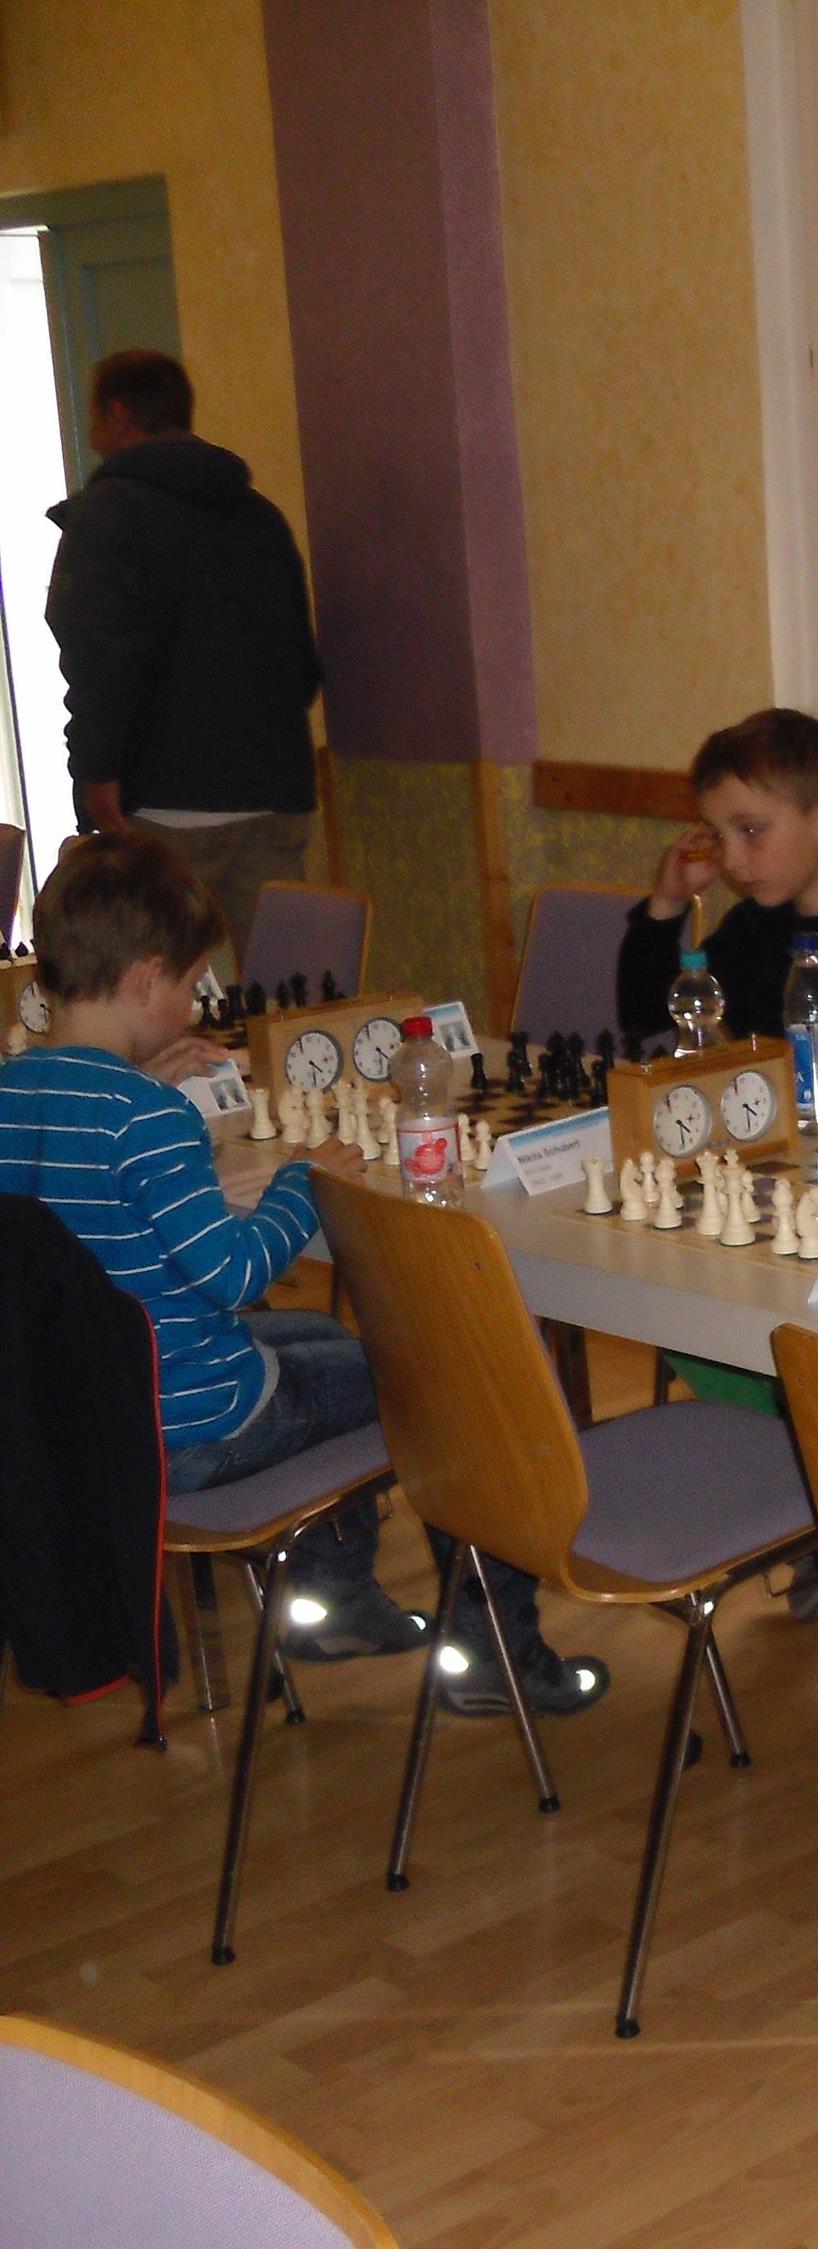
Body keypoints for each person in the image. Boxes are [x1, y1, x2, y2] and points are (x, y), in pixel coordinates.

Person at [0, 833, 605, 1709]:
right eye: (191, 984)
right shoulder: (145, 1120)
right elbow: (237, 1276)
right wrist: (303, 1181)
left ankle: (334, 1603)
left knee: (324, 1334)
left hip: (86, 1418)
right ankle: (496, 1657)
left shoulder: (16, 1091)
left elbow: (84, 1201)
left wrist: (140, 1081)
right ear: (146, 980)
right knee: (462, 1381)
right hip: (198, 1423)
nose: (197, 1003)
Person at [43, 351, 323, 967]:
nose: (94, 437)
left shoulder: (107, 516)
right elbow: (301, 664)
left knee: (168, 996)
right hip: (275, 791)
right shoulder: (259, 516)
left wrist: (97, 770)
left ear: (120, 415)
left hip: (166, 803)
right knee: (289, 996)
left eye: (96, 418)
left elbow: (98, 657)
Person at [617, 709, 818, 1106]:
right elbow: (644, 1017)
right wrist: (668, 902)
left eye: (750, 830)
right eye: (719, 835)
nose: (730, 859)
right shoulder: (752, 930)